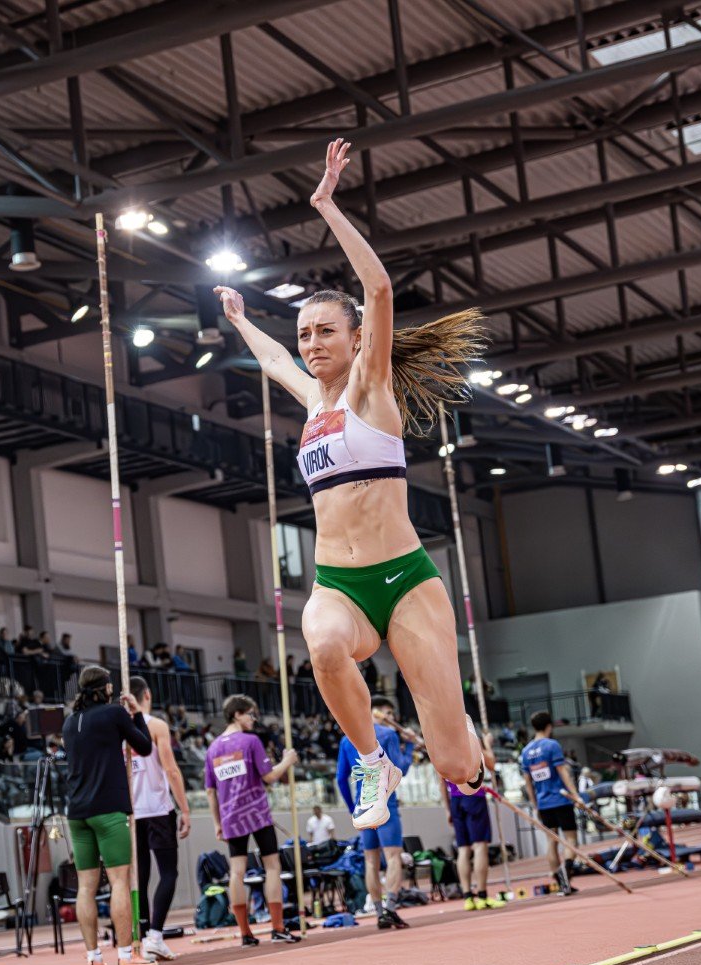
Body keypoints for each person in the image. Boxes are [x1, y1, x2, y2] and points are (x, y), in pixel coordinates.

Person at [215, 139, 485, 837]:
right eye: (305, 333)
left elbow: (381, 289)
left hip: (406, 580)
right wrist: (244, 320)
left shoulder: (371, 389)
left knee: (457, 767)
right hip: (340, 581)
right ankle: (374, 759)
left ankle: (468, 750)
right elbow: (274, 360)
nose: (310, 343)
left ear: (357, 338)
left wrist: (327, 205)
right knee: (323, 644)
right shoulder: (312, 403)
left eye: (325, 331)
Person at [61, 666, 158, 965]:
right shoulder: (113, 714)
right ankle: (127, 955)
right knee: (119, 881)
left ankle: (93, 957)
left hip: (77, 812)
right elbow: (144, 746)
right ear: (104, 689)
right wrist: (136, 713)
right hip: (108, 809)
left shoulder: (69, 722)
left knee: (86, 887)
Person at [205, 693, 300, 948]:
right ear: (237, 714)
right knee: (271, 867)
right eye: (250, 714)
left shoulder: (213, 748)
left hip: (230, 816)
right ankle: (277, 928)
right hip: (256, 813)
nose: (253, 719)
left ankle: (245, 933)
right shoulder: (250, 742)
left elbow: (210, 791)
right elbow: (269, 777)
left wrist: (217, 823)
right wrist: (287, 761)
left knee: (237, 871)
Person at [335, 695, 415, 928]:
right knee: (392, 857)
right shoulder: (388, 735)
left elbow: (341, 778)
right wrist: (408, 744)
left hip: (364, 805)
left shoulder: (346, 739)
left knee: (371, 860)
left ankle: (379, 912)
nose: (392, 718)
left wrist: (354, 809)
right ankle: (390, 908)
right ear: (377, 712)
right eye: (388, 714)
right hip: (386, 803)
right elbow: (401, 769)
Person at [127, 677, 192, 962]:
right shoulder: (156, 726)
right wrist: (185, 809)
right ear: (148, 695)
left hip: (131, 813)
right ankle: (154, 936)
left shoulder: (120, 729)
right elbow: (171, 769)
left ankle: (141, 938)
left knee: (139, 878)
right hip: (157, 809)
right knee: (168, 873)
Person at [518, 711, 578, 895]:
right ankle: (566, 875)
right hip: (560, 799)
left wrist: (535, 804)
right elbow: (562, 771)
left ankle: (561, 882)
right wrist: (575, 794)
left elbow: (528, 782)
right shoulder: (552, 745)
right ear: (549, 726)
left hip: (543, 803)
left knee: (551, 842)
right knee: (571, 839)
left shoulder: (526, 751)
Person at [449, 732, 504, 910]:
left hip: (455, 798)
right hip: (473, 797)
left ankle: (467, 897)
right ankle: (481, 895)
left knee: (463, 848)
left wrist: (447, 808)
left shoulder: (446, 746)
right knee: (480, 846)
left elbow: (439, 780)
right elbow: (491, 764)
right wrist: (487, 744)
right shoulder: (470, 739)